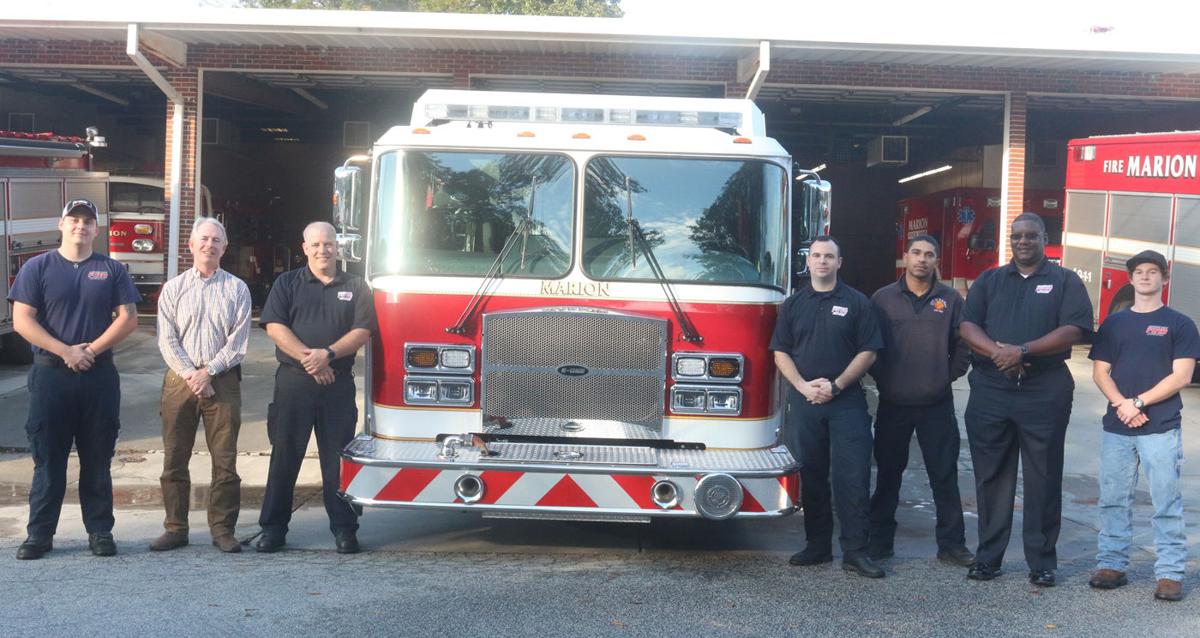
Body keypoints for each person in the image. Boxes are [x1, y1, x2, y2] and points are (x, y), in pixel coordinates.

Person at [959, 212, 1093, 586]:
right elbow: (968, 325)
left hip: (1044, 389)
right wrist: (999, 354)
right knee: (991, 476)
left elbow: (1075, 330)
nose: (1022, 241)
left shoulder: (1064, 281)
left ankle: (1042, 562)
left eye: (1030, 235)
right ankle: (988, 557)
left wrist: (1023, 350)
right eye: (1016, 235)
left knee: (1044, 476)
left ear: (1043, 238)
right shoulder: (990, 279)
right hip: (992, 389)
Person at [8, 199, 140, 559]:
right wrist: (66, 351)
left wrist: (90, 351)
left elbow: (128, 318)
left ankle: (99, 531)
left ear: (97, 229)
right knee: (48, 458)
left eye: (87, 221)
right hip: (51, 377)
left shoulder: (111, 270)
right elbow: (22, 320)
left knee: (97, 458)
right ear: (61, 224)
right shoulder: (38, 267)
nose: (80, 226)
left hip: (98, 377)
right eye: (74, 219)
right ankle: (39, 535)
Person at [256, 221, 376, 554]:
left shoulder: (355, 285)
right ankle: (273, 529)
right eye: (316, 245)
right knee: (284, 457)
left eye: (329, 244)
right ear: (304, 248)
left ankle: (344, 529)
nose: (323, 250)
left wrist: (329, 355)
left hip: (337, 385)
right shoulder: (287, 283)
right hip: (294, 383)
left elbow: (363, 330)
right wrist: (312, 361)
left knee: (337, 461)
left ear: (338, 247)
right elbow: (275, 326)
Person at [770, 235, 885, 578]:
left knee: (853, 476)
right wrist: (803, 386)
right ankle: (817, 547)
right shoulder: (793, 305)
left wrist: (836, 386)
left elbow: (869, 351)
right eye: (817, 256)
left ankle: (856, 552)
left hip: (846, 402)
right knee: (813, 475)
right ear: (808, 262)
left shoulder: (857, 303)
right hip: (806, 401)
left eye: (829, 256)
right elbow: (781, 351)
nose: (822, 261)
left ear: (839, 263)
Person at [1087, 250, 1198, 602]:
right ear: (1131, 279)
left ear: (1164, 279)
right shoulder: (1114, 323)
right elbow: (1100, 371)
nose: (1146, 277)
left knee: (1166, 500)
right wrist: (1123, 405)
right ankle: (1113, 564)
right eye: (1139, 272)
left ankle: (1169, 572)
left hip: (1161, 427)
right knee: (1113, 499)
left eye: (1153, 272)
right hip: (1118, 427)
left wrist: (1138, 402)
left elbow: (1181, 375)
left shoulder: (1180, 324)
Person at [867, 234, 973, 566]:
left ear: (936, 260)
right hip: (894, 404)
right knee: (887, 476)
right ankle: (880, 544)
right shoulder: (882, 299)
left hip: (936, 404)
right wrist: (885, 379)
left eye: (929, 254)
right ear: (906, 257)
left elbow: (964, 345)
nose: (922, 259)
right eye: (916, 252)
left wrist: (946, 376)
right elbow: (871, 345)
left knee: (944, 475)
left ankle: (952, 546)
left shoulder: (951, 299)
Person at [151, 217, 252, 554]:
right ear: (191, 245)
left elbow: (238, 343)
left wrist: (208, 372)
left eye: (217, 240)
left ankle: (222, 529)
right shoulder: (174, 288)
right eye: (204, 239)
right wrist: (194, 376)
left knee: (225, 460)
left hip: (222, 382)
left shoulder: (237, 289)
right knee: (174, 458)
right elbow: (167, 340)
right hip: (180, 381)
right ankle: (175, 528)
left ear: (225, 248)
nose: (210, 245)